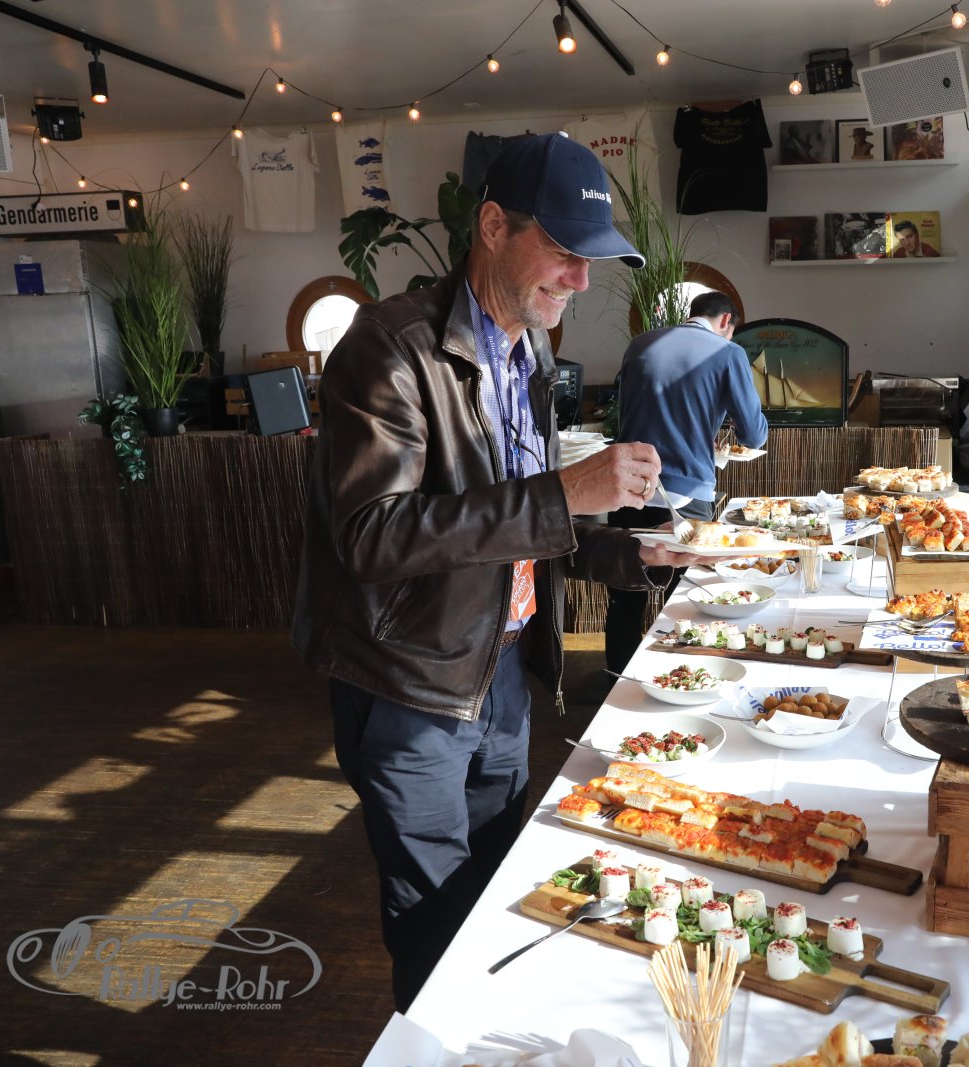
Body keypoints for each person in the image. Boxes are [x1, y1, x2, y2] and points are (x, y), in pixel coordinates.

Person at [292, 132, 703, 1012]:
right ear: (491, 227)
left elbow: (513, 534)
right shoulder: (388, 348)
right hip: (409, 690)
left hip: (503, 679)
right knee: (436, 928)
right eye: (563, 251)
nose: (580, 280)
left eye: (591, 260)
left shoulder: (529, 353)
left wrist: (630, 552)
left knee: (495, 908)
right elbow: (370, 534)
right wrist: (563, 492)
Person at [604, 290, 770, 673]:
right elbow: (753, 435)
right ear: (726, 320)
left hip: (627, 489)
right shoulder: (727, 353)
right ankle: (681, 681)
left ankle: (616, 683)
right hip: (686, 495)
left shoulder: (640, 344)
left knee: (625, 597)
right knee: (687, 599)